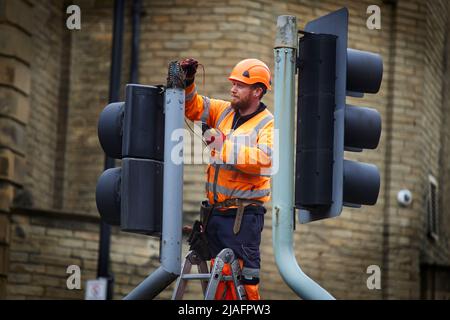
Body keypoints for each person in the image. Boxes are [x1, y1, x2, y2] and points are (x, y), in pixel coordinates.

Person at [180, 58, 274, 300]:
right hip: (216, 215)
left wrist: (224, 145)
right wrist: (188, 82)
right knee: (220, 283)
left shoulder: (268, 124)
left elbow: (265, 161)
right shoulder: (224, 110)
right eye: (233, 83)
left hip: (243, 219)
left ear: (257, 91)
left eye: (240, 85)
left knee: (243, 284)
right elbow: (193, 107)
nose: (233, 88)